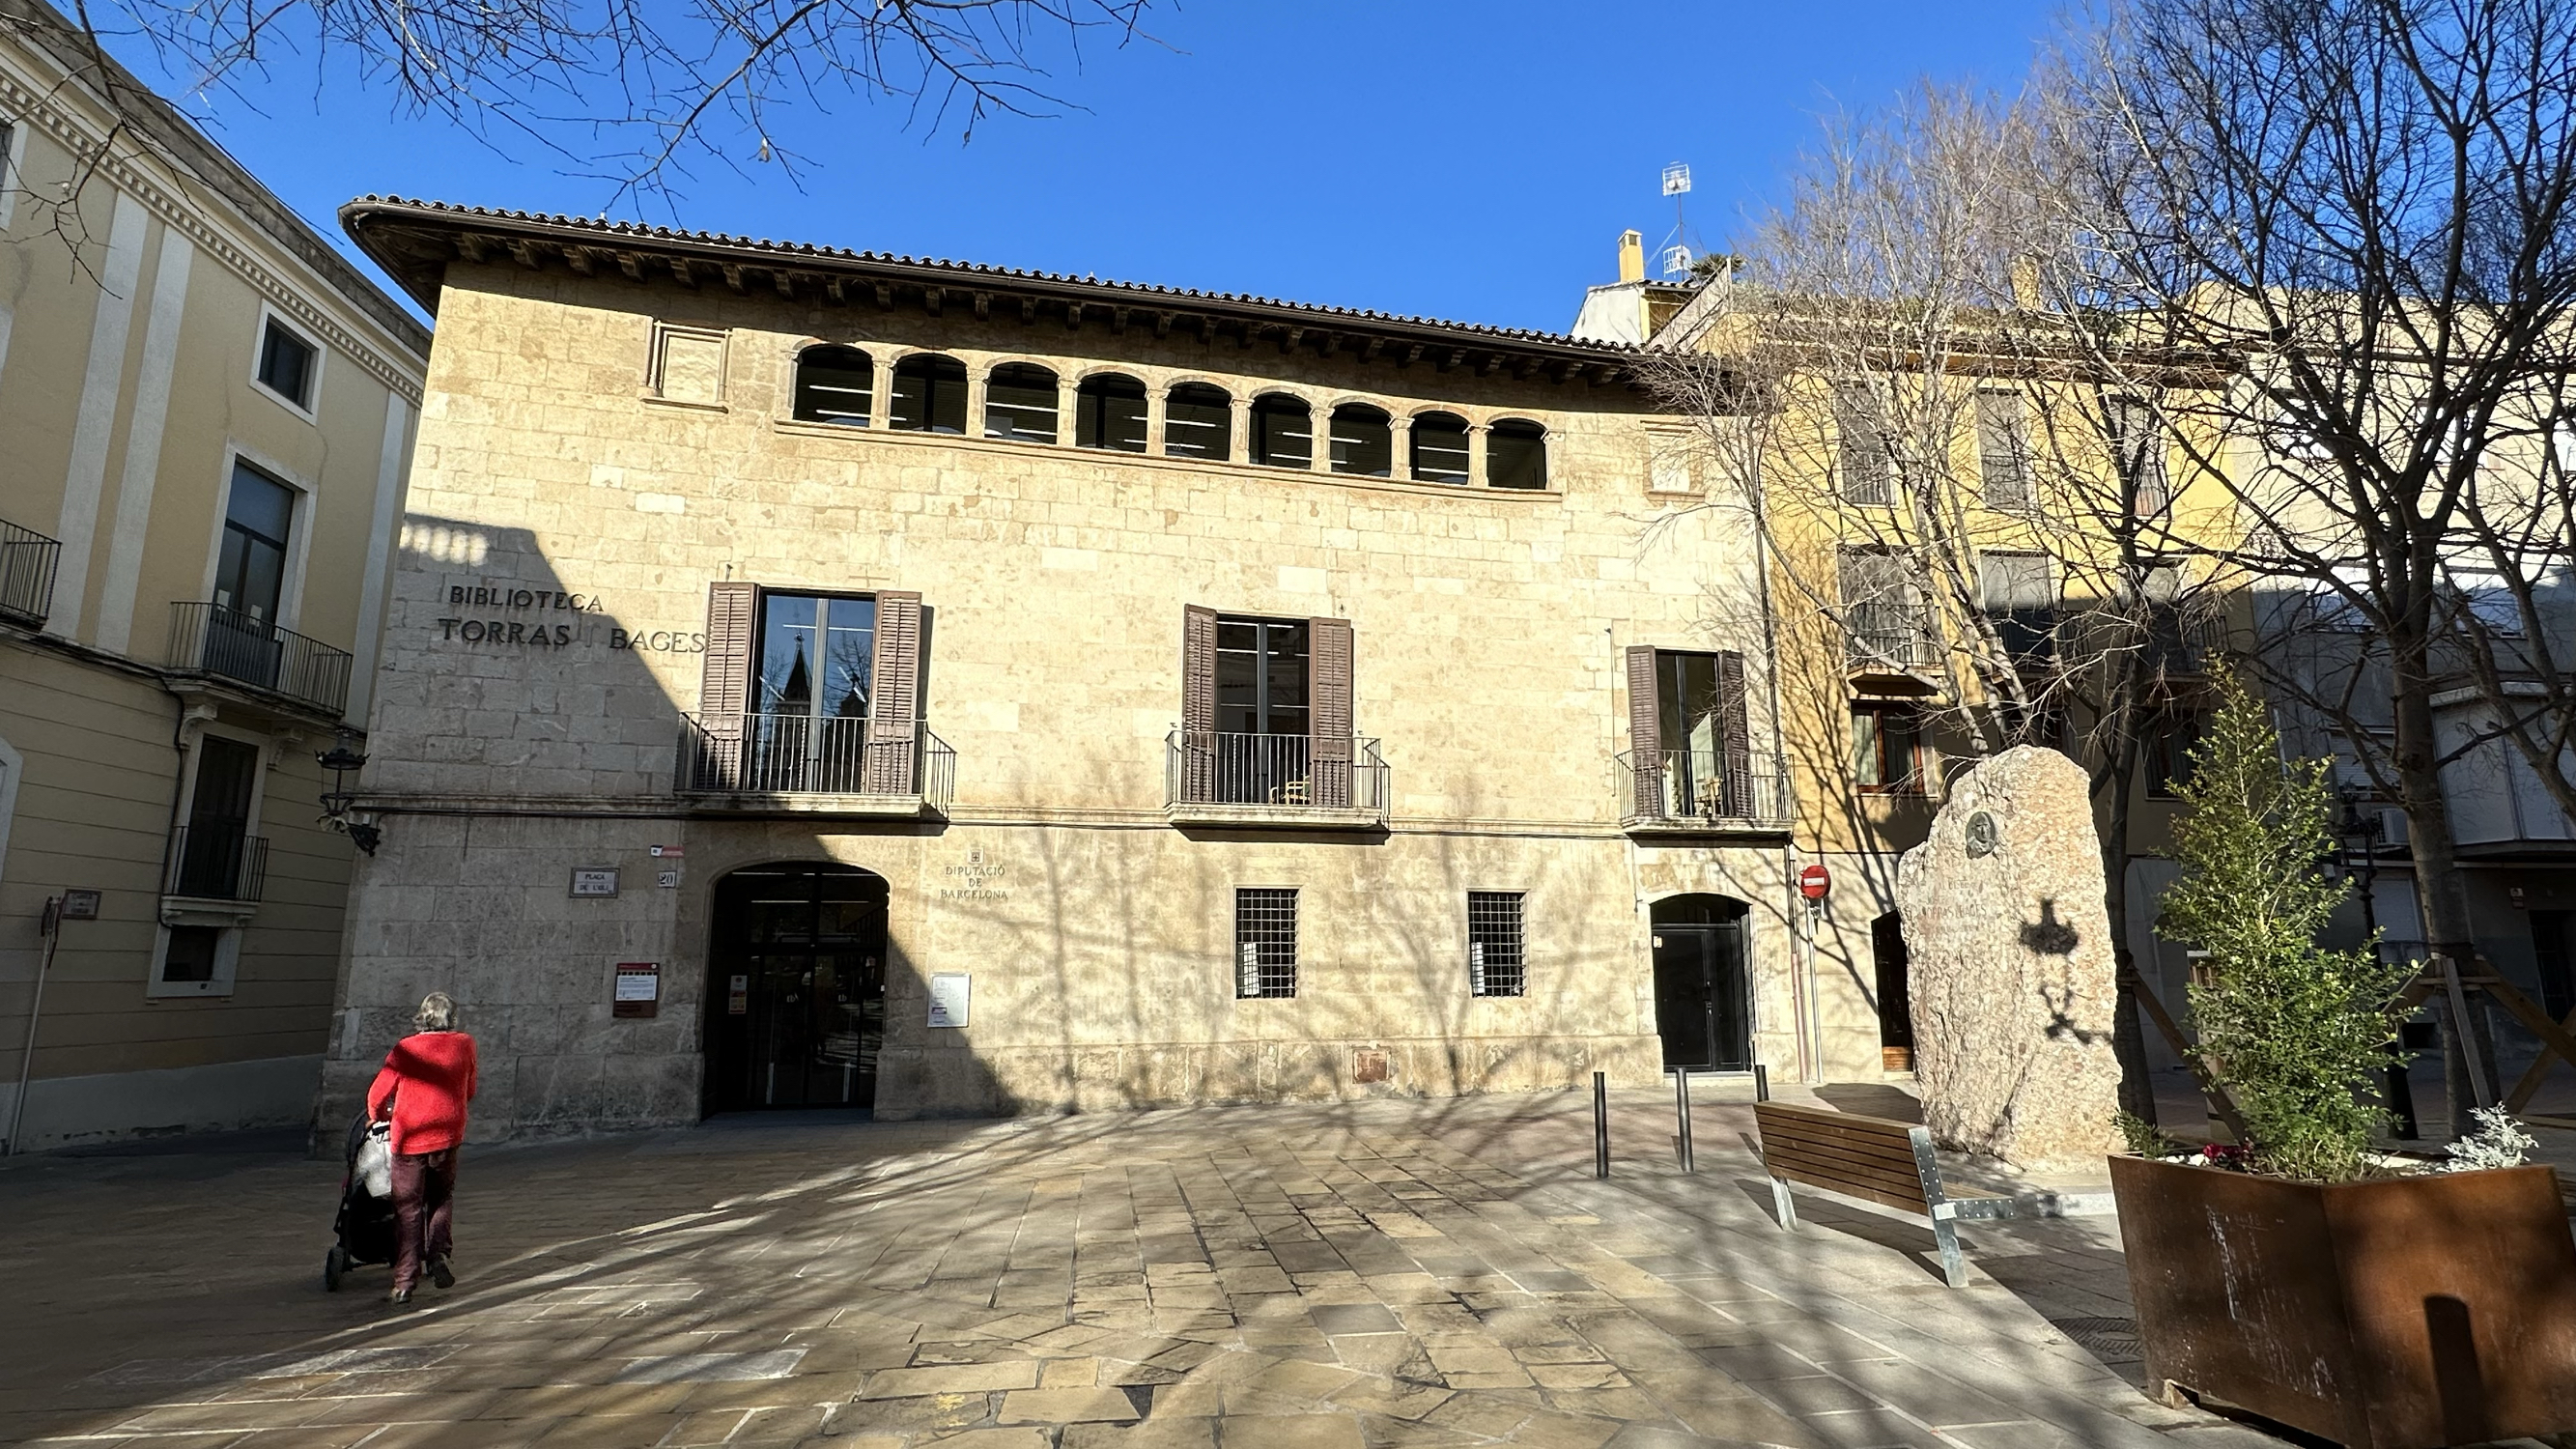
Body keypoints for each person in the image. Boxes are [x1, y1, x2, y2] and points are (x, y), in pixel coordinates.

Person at [365, 992, 477, 1305]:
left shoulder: (406, 1049)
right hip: (448, 1135)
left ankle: (404, 1280)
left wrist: (380, 1117)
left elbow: (377, 1095)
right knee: (441, 1197)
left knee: (408, 1207)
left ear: (423, 1017)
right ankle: (438, 1255)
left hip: (410, 1138)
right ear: (451, 1018)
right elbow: (470, 1089)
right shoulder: (465, 1044)